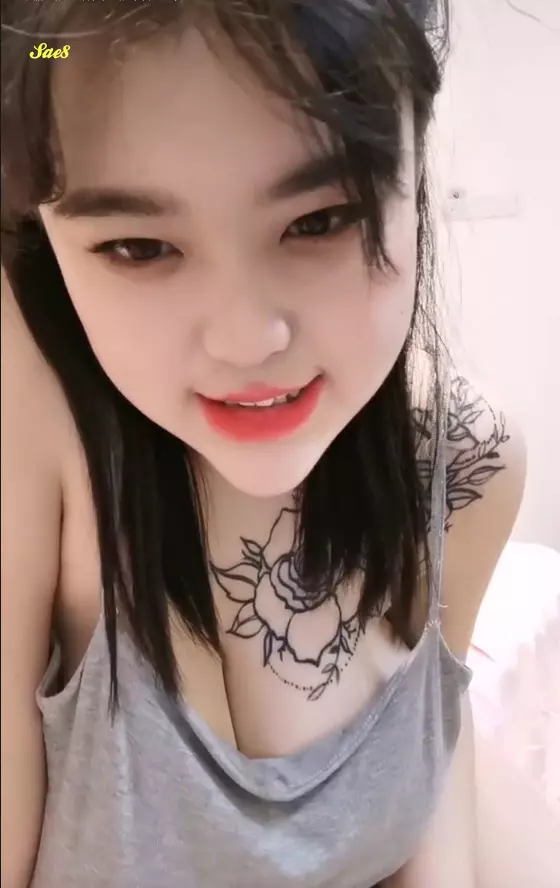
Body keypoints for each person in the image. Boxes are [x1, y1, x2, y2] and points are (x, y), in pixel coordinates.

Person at [1, 2, 556, 886]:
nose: (247, 340)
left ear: (418, 157)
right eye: (138, 247)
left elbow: (434, 787)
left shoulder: (469, 463)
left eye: (320, 219)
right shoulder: (35, 419)